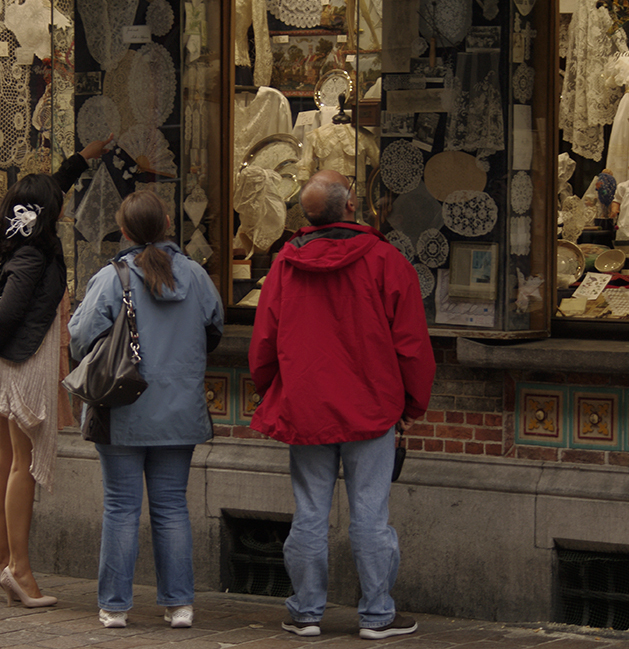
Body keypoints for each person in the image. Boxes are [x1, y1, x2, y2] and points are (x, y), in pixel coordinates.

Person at [248, 169, 436, 640]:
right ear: (351, 205)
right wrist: (412, 406)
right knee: (370, 514)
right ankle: (377, 614)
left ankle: (307, 611)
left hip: (307, 403)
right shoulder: (386, 261)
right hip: (372, 406)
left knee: (310, 511)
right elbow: (411, 343)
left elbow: (263, 341)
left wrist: (271, 387)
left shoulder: (286, 265)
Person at [0, 137, 112, 608]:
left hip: (9, 362)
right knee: (19, 463)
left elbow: (50, 190)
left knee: (2, 460)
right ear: (45, 215)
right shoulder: (33, 258)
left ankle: (0, 561)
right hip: (21, 366)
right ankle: (20, 571)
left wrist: (81, 160)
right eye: (56, 208)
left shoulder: (21, 242)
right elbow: (4, 317)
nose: (63, 212)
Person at [68, 190, 224, 630]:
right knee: (172, 506)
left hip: (122, 409)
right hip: (180, 410)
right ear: (169, 224)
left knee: (120, 507)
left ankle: (115, 607)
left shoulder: (112, 277)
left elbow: (79, 338)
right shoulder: (195, 276)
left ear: (124, 231)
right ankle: (179, 605)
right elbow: (215, 327)